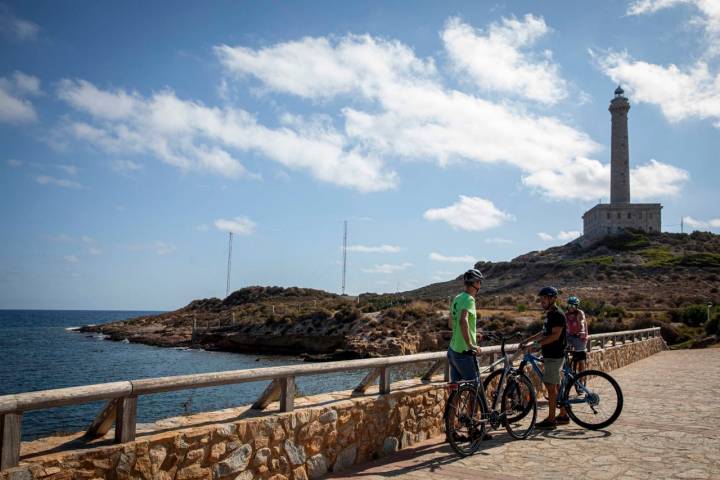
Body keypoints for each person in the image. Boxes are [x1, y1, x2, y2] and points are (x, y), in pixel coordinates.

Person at [446, 268, 492, 440]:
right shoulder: (470, 299)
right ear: (475, 284)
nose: (480, 285)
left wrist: (473, 333)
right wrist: (472, 344)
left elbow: (452, 324)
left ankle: (450, 432)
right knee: (475, 390)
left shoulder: (457, 298)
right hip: (464, 353)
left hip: (452, 350)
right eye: (480, 282)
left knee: (455, 394)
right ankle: (474, 429)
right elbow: (464, 320)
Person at [522, 286, 568, 429]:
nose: (541, 301)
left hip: (555, 354)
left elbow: (555, 335)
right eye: (540, 299)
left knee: (550, 386)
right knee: (556, 385)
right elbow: (544, 332)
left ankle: (551, 419)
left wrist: (536, 345)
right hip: (550, 354)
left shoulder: (558, 315)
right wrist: (528, 340)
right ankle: (563, 415)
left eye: (544, 299)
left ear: (553, 299)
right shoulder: (550, 314)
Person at [565, 296, 588, 374]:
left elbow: (581, 322)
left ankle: (581, 377)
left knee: (580, 358)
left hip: (579, 337)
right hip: (570, 336)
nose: (571, 307)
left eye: (573, 306)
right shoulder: (566, 315)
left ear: (576, 306)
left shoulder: (579, 313)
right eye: (569, 305)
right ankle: (567, 369)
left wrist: (582, 331)